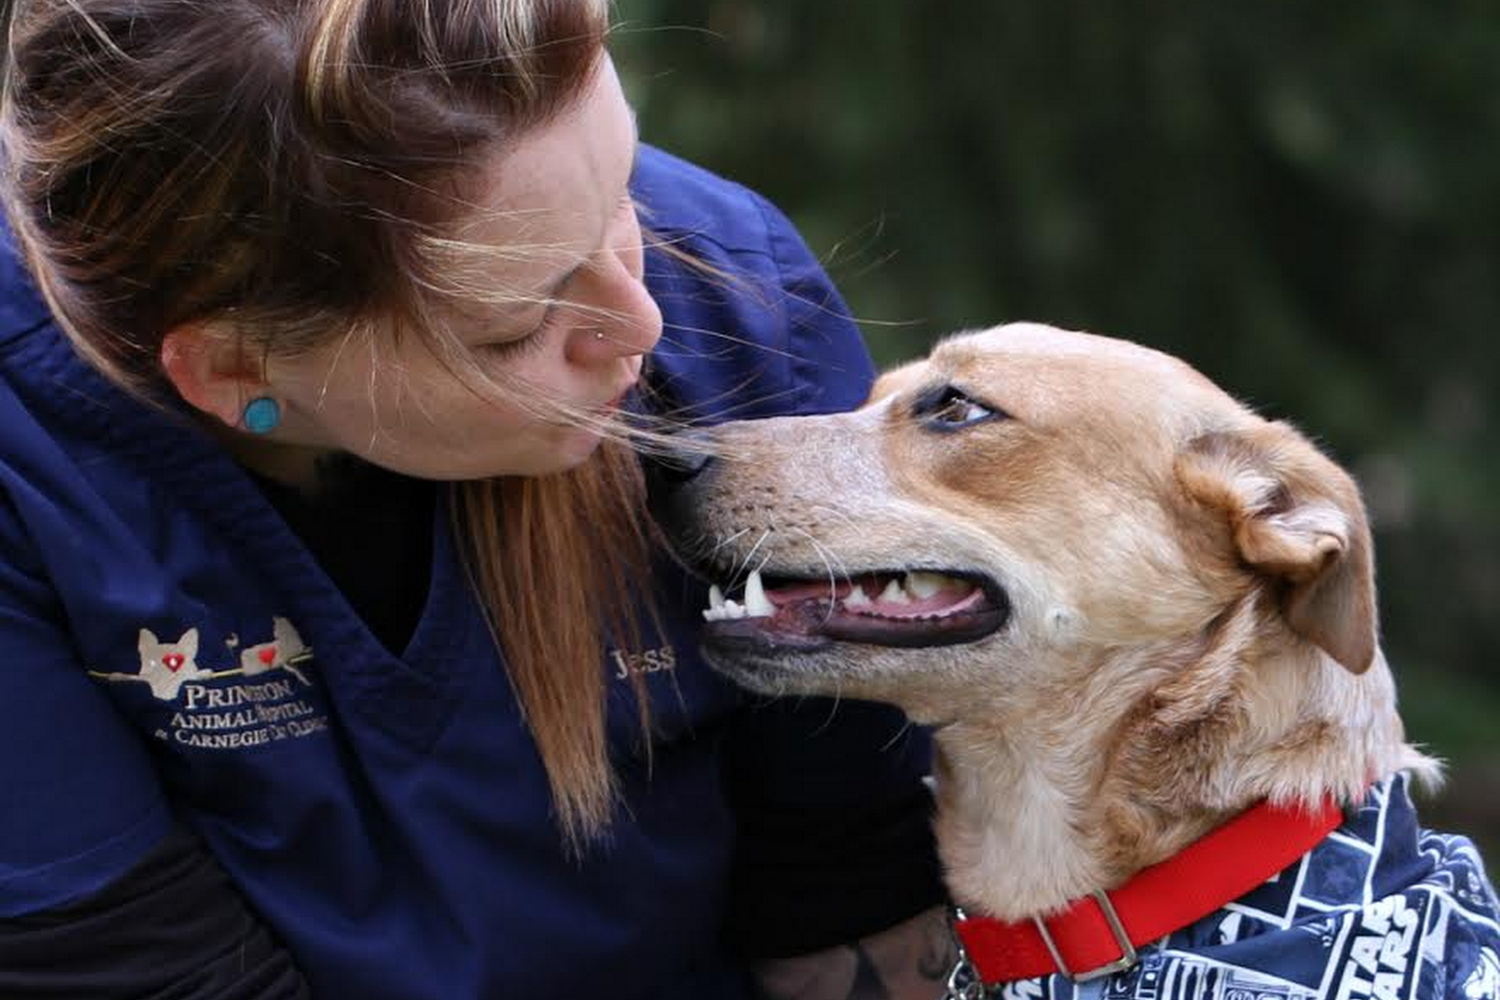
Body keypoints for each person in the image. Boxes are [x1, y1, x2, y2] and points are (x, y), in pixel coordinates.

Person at [0, 2, 955, 998]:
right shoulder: (34, 466)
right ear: (237, 371)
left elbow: (855, 890)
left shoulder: (734, 303)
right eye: (519, 325)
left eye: (623, 192)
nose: (642, 319)